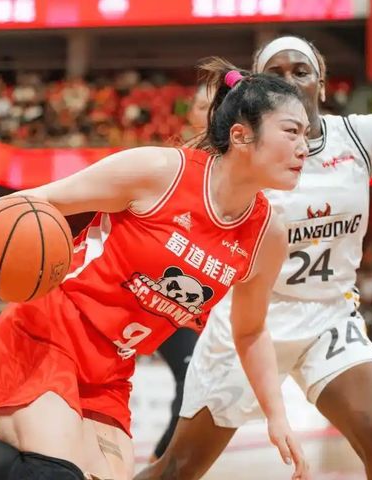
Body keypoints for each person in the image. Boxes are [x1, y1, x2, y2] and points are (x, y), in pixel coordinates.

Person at [0, 58, 311, 480]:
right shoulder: (160, 172)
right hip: (47, 333)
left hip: (112, 369)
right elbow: (39, 200)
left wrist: (277, 416)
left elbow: (250, 331)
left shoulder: (266, 236)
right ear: (241, 135)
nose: (303, 147)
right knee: (55, 475)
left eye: (307, 134)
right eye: (291, 132)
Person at [134, 36, 372, 480]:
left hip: (329, 316)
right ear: (258, 87)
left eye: (301, 71)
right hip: (253, 320)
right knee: (179, 468)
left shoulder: (361, 136)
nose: (290, 81)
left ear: (320, 85)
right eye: (276, 74)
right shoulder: (242, 150)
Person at [149, 83, 215, 463]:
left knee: (198, 389)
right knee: (190, 381)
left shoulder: (239, 166)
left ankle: (160, 464)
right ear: (190, 113)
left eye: (216, 105)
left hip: (206, 298)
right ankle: (158, 464)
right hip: (165, 292)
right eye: (202, 105)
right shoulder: (174, 163)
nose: (210, 111)